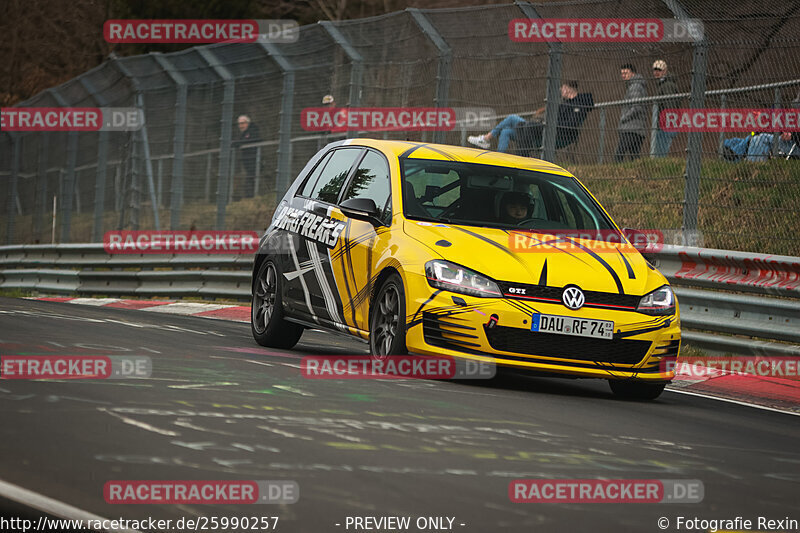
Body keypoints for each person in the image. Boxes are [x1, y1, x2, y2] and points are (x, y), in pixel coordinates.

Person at [467, 81, 594, 154]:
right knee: (506, 131)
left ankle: (486, 138)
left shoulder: (579, 104)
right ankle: (500, 158)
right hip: (540, 128)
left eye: (562, 89)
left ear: (567, 89)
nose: (561, 92)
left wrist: (547, 122)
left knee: (513, 119)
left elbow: (569, 124)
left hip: (554, 133)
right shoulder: (563, 104)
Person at [615, 63, 647, 162]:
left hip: (631, 128)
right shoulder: (633, 86)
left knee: (619, 154)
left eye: (626, 73)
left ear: (632, 73)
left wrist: (624, 118)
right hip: (636, 127)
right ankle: (637, 174)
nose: (623, 75)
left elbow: (636, 107)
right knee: (634, 155)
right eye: (622, 73)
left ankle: (617, 174)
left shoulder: (635, 86)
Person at [652, 60, 680, 157]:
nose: (656, 72)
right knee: (659, 151)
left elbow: (670, 105)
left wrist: (667, 122)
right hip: (665, 123)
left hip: (666, 124)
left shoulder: (667, 85)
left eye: (659, 70)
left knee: (660, 153)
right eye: (655, 70)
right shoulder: (662, 84)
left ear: (664, 71)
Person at [234, 115, 261, 197]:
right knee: (249, 177)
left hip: (254, 159)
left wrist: (238, 143)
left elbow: (248, 141)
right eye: (239, 124)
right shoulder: (244, 133)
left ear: (247, 123)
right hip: (248, 160)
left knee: (252, 177)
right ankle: (250, 196)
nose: (241, 126)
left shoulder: (252, 131)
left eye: (242, 123)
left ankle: (252, 196)